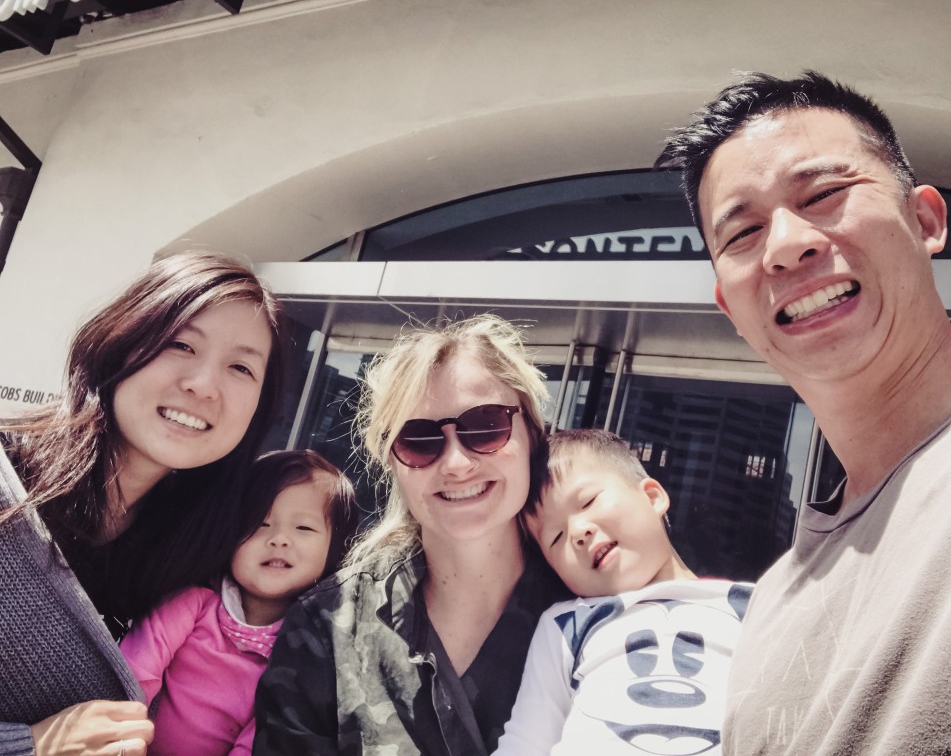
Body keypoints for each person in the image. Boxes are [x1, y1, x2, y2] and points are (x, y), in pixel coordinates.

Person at [656, 70, 951, 754]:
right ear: (729, 307)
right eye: (743, 232)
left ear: (925, 220)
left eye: (824, 194)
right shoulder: (771, 604)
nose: (785, 245)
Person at [0, 251, 287, 756]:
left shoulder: (203, 557)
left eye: (241, 367)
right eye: (180, 344)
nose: (203, 384)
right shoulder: (9, 485)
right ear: (120, 343)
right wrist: (31, 744)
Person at [254, 314, 570, 756]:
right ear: (392, 461)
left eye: (486, 426)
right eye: (418, 440)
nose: (456, 464)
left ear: (533, 436)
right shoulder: (328, 623)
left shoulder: (595, 606)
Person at [494, 428, 751, 756]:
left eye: (588, 501)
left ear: (652, 497)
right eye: (556, 538)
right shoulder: (567, 625)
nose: (578, 531)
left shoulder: (754, 606)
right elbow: (526, 743)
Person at [120, 449, 357, 756]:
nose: (279, 538)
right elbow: (133, 674)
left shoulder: (308, 647)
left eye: (303, 528)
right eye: (260, 524)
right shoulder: (193, 604)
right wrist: (121, 741)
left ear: (335, 549)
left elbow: (267, 731)